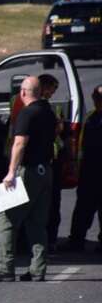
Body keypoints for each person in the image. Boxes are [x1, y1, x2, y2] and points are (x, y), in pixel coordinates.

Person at [0, 75, 58, 282]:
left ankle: (5, 268)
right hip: (45, 171)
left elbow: (19, 144)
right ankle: (37, 269)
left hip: (28, 172)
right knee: (36, 223)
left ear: (23, 92)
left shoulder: (27, 113)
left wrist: (10, 172)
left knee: (6, 218)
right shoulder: (47, 112)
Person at [62, 84, 102, 253]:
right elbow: (80, 145)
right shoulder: (90, 118)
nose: (98, 101)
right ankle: (76, 241)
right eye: (97, 97)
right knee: (83, 209)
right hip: (89, 172)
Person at [38, 73, 66, 247]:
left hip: (41, 160)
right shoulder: (47, 109)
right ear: (44, 87)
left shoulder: (19, 103)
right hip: (46, 161)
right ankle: (49, 240)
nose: (52, 94)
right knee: (50, 203)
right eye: (52, 90)